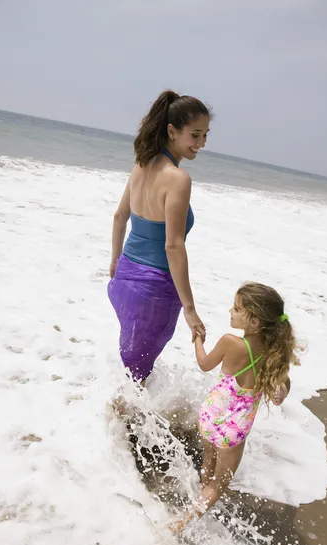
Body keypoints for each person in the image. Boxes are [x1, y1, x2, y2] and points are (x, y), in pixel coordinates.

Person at [170, 282, 301, 533]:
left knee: (209, 459)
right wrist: (280, 392)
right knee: (219, 484)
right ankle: (182, 523)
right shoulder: (274, 353)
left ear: (253, 321)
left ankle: (199, 492)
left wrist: (198, 339)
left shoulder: (230, 342)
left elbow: (204, 363)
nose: (231, 311)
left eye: (237, 308)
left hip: (210, 417)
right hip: (234, 431)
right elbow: (282, 390)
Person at [108, 90, 212, 386]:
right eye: (195, 135)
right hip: (154, 292)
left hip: (124, 280)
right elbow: (173, 245)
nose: (201, 143)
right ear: (172, 131)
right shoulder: (178, 179)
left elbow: (119, 217)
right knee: (137, 378)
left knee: (132, 373)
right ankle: (122, 428)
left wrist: (115, 263)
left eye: (205, 135)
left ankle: (117, 426)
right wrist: (190, 310)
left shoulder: (140, 164)